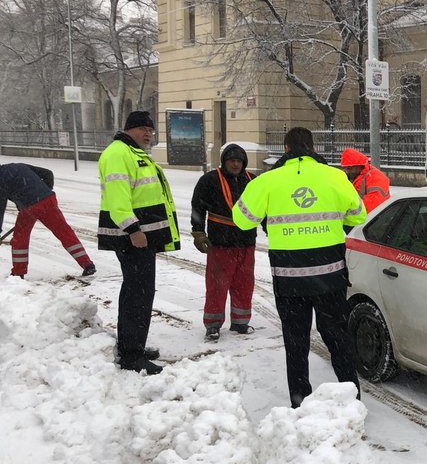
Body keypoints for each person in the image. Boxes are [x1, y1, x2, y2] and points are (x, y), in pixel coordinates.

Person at [233, 127, 366, 407]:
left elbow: (242, 219)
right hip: (330, 275)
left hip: (289, 277)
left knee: (296, 341)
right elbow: (358, 214)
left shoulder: (267, 180)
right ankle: (351, 396)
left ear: (285, 148)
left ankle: (300, 400)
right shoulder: (336, 177)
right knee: (337, 337)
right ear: (312, 146)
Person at [98, 110, 180, 375]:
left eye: (151, 130)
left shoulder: (135, 154)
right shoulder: (118, 154)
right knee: (137, 294)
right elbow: (118, 199)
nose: (148, 133)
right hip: (132, 238)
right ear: (129, 129)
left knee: (140, 293)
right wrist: (133, 229)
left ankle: (133, 345)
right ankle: (131, 357)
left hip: (142, 237)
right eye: (143, 128)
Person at [190, 144, 257, 341]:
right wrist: (198, 231)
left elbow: (265, 207)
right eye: (231, 161)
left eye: (239, 161)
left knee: (244, 284)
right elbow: (198, 207)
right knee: (217, 285)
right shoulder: (210, 180)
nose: (235, 164)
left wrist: (268, 227)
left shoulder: (252, 180)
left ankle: (241, 321)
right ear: (224, 162)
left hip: (246, 242)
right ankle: (213, 324)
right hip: (221, 243)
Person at [0, 163, 96, 279]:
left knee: (20, 239)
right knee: (64, 232)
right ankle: (88, 265)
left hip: (29, 207)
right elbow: (47, 173)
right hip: (48, 199)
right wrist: (44, 191)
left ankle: (18, 272)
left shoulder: (1, 179)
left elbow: (1, 207)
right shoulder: (18, 166)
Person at [339, 148, 391, 213]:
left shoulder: (375, 178)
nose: (347, 171)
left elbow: (373, 205)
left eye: (349, 168)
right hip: (359, 218)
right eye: (344, 168)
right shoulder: (353, 176)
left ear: (359, 165)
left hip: (374, 219)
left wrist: (346, 212)